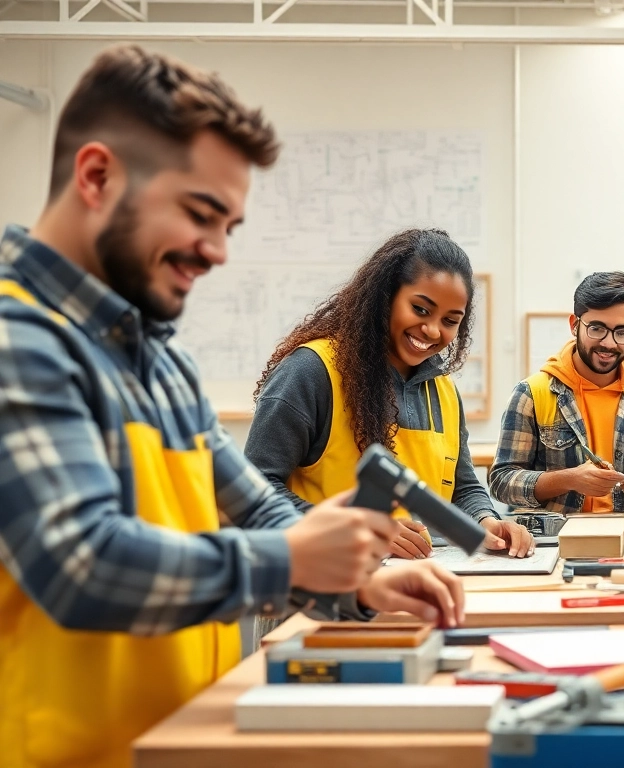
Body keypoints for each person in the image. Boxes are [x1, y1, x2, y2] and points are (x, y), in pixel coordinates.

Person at [0, 46, 465, 768]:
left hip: (182, 741)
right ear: (96, 176)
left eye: (231, 226)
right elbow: (80, 565)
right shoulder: (18, 339)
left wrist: (359, 578)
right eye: (200, 213)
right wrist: (290, 557)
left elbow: (256, 507)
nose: (217, 251)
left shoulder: (159, 357)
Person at [246, 227, 534, 560]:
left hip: (405, 589)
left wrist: (485, 521)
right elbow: (253, 491)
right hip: (311, 589)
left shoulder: (443, 390)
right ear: (385, 297)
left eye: (450, 320)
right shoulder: (311, 371)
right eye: (421, 309)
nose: (432, 330)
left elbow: (462, 488)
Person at [490, 271, 624, 515]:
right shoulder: (532, 394)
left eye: (622, 332)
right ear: (574, 325)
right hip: (555, 545)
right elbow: (501, 483)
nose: (609, 343)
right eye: (597, 328)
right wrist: (569, 479)